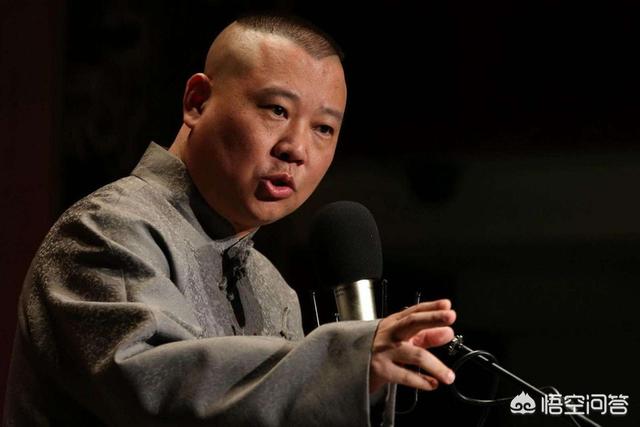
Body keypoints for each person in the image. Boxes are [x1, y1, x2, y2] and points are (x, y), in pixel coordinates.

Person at [3, 14, 456, 426]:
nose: (296, 148)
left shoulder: (271, 287)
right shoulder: (108, 230)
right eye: (276, 110)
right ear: (197, 102)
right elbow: (157, 392)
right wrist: (345, 364)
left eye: (323, 128)